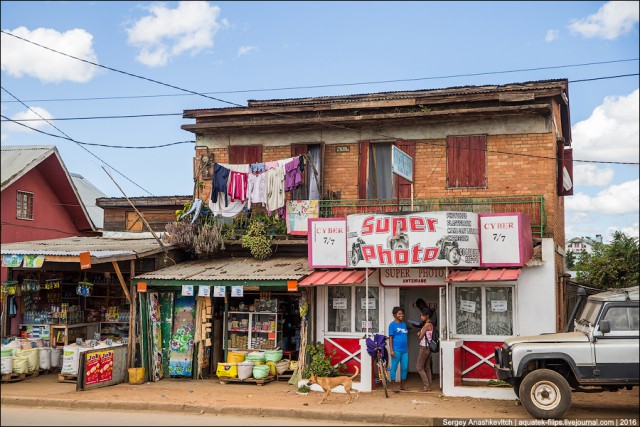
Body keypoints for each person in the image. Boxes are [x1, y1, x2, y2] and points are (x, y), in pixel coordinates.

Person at [388, 306, 410, 392]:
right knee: (394, 367)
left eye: (402, 313)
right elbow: (390, 338)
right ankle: (393, 386)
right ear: (395, 315)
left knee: (404, 368)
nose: (402, 315)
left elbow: (405, 337)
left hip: (404, 350)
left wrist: (407, 349)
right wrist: (391, 350)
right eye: (399, 314)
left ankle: (402, 386)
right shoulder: (392, 325)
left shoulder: (404, 324)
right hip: (396, 350)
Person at [416, 308, 433, 392]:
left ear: (427, 316)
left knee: (419, 367)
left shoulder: (426, 325)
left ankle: (426, 386)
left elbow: (420, 337)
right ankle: (429, 385)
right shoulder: (430, 324)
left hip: (424, 347)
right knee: (427, 367)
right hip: (428, 347)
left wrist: (419, 334)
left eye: (422, 315)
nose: (421, 317)